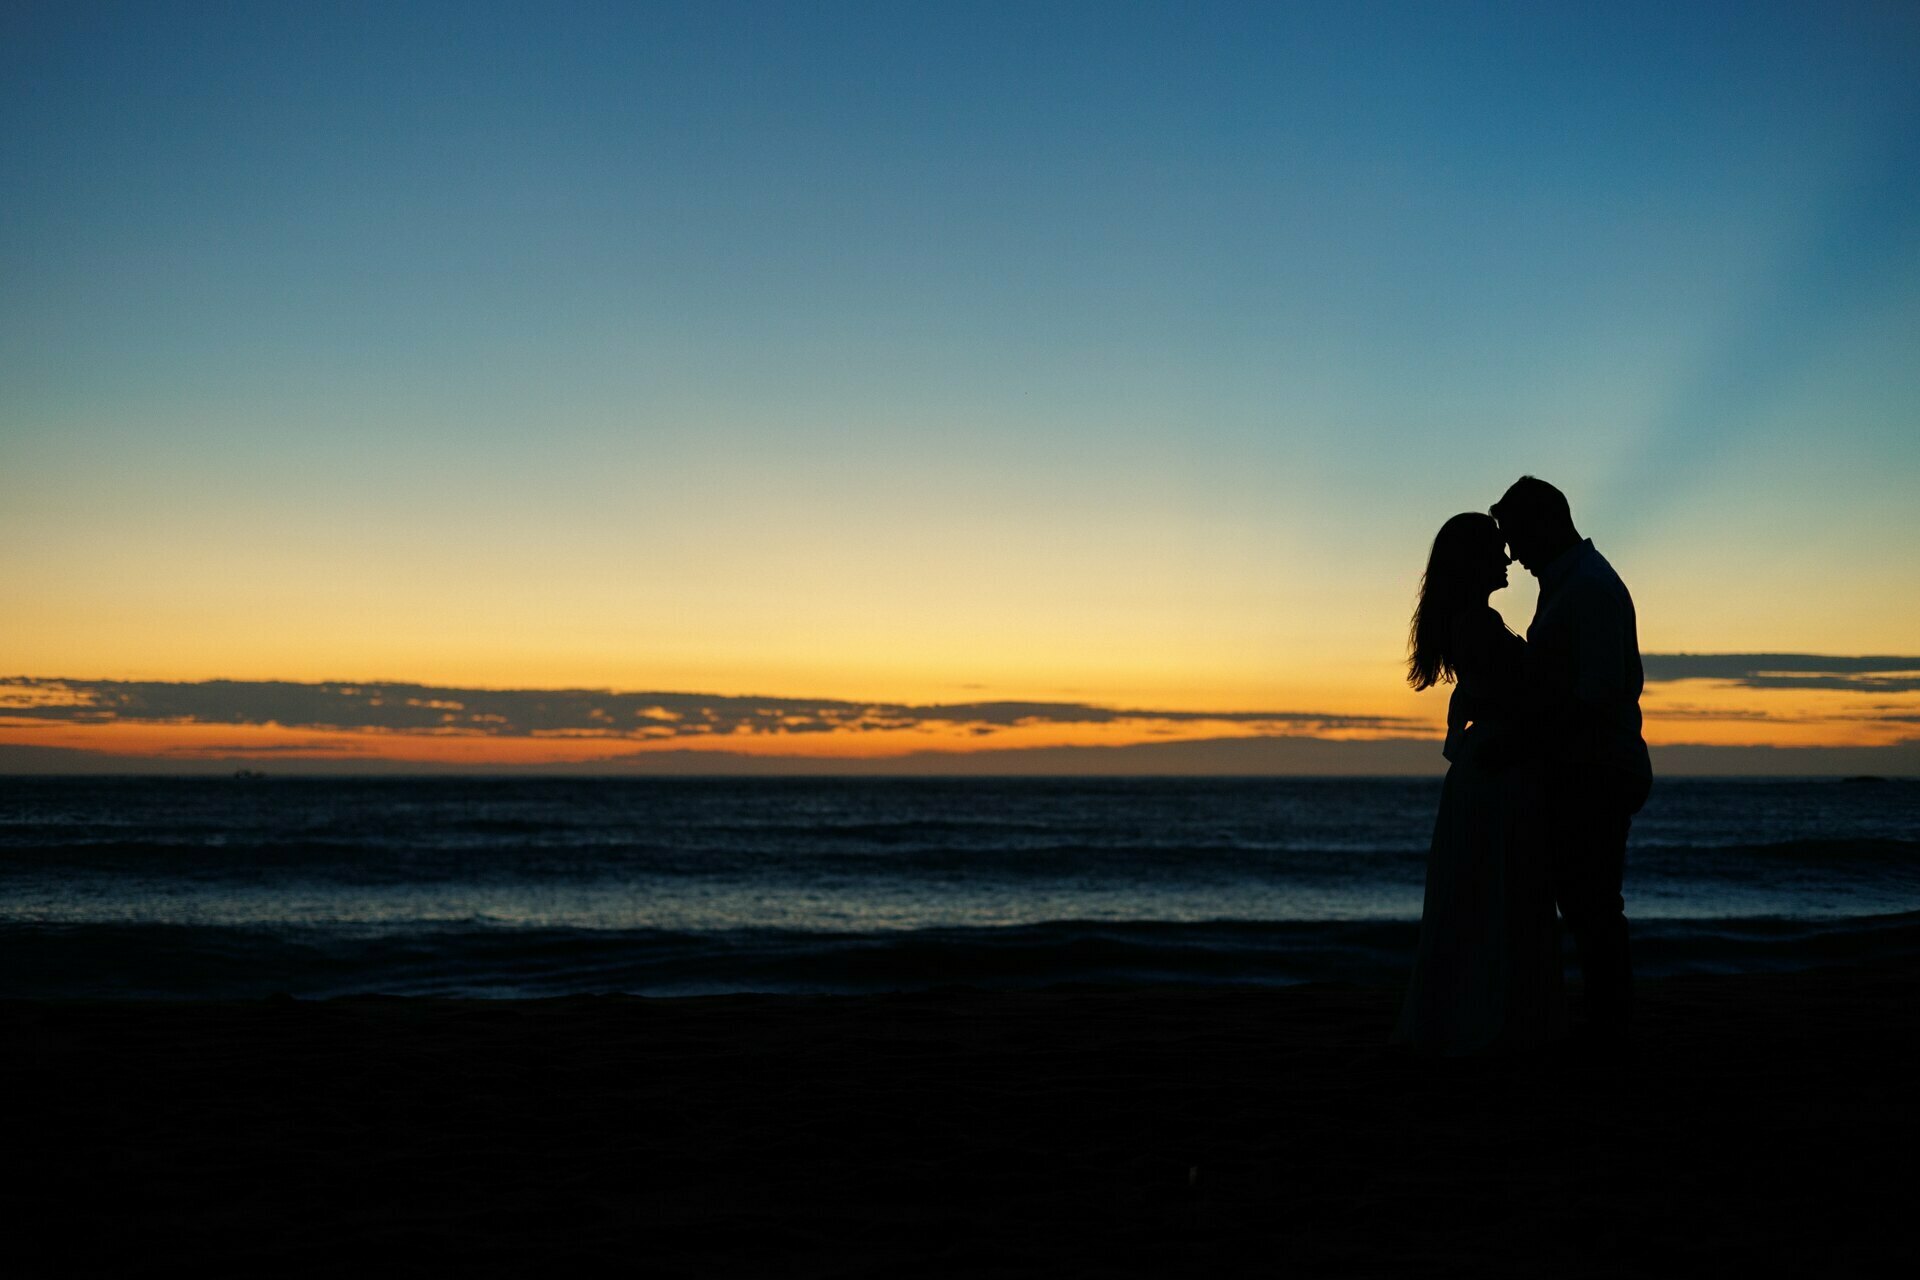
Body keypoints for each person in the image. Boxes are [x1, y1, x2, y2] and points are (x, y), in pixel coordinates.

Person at [1392, 512, 1564, 1055]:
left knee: (1484, 896)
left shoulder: (1472, 623)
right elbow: (1521, 698)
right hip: (1497, 773)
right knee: (1499, 895)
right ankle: (1494, 1023)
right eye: (1496, 548)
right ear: (1474, 561)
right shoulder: (1479, 625)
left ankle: (1485, 1016)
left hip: (1489, 767)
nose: (1508, 557)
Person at [1490, 476, 1651, 1047]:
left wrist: (1529, 737)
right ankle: (1607, 1023)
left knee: (1592, 904)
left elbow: (1602, 690)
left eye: (1516, 536)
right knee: (1586, 902)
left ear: (1548, 524)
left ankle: (1610, 1029)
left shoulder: (1585, 589)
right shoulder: (1571, 583)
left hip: (1596, 769)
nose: (1512, 553)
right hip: (1588, 766)